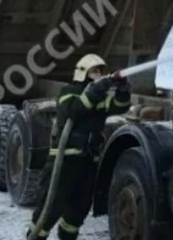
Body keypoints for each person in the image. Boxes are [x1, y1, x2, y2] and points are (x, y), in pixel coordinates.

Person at [26, 54, 132, 240]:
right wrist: (96, 89)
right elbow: (73, 111)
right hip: (65, 160)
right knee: (51, 208)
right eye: (94, 71)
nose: (99, 75)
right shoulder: (69, 91)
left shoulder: (100, 97)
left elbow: (119, 107)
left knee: (79, 208)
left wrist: (123, 89)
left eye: (100, 71)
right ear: (83, 72)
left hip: (88, 161)